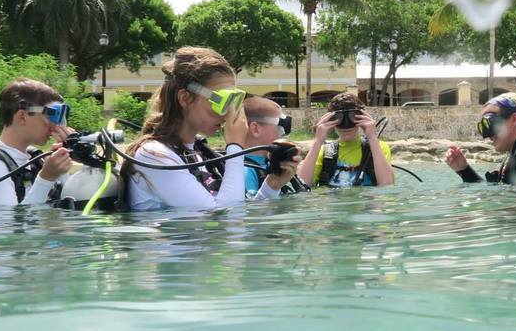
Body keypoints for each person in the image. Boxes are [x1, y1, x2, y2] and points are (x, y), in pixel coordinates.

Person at [123, 47, 299, 210]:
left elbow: (237, 215)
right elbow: (229, 220)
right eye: (221, 101)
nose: (227, 115)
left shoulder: (198, 152)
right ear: (185, 99)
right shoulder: (154, 156)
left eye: (234, 101)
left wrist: (272, 185)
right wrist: (235, 146)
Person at [0, 78, 74, 206]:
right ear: (22, 117)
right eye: (52, 115)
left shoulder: (33, 160)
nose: (56, 125)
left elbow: (70, 204)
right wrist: (47, 177)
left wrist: (61, 169)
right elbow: (12, 222)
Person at [297, 92, 395, 188]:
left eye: (353, 116)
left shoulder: (378, 147)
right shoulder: (324, 151)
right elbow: (301, 186)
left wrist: (372, 137)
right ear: (331, 120)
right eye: (338, 118)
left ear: (361, 117)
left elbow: (386, 185)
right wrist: (318, 141)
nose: (346, 124)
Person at [242, 96, 293, 194]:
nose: (283, 133)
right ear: (255, 129)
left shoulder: (273, 163)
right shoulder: (245, 171)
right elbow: (251, 208)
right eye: (280, 126)